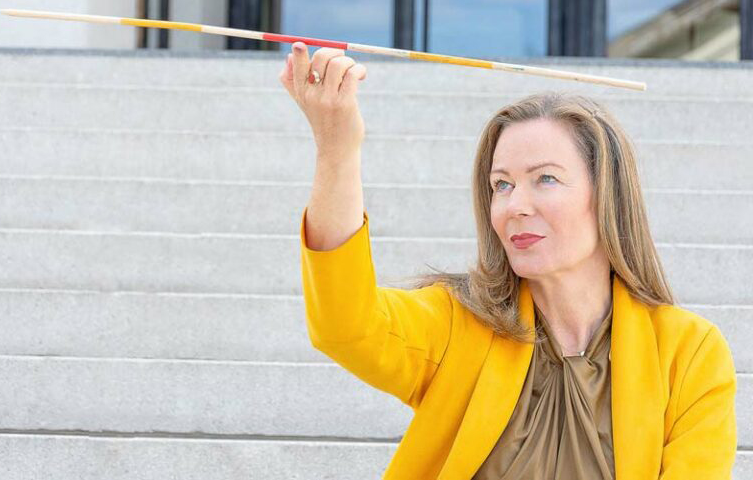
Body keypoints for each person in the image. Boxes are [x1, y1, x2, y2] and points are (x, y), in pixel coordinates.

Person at [278, 41, 737, 479]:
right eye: (502, 184)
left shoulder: (689, 353)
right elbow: (345, 325)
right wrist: (337, 146)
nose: (516, 204)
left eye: (546, 179)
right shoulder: (457, 323)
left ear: (607, 197)